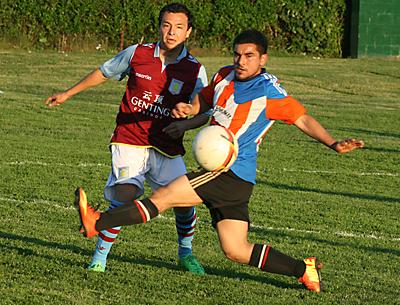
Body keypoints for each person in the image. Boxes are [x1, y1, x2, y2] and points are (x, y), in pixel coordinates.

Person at [74, 29, 364, 292]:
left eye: (249, 56)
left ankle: (97, 222)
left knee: (163, 197)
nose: (241, 60)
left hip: (227, 171)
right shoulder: (224, 75)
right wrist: (190, 108)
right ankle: (304, 269)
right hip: (238, 182)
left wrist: (333, 143)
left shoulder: (268, 92)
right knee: (236, 249)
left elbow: (302, 118)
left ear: (263, 58)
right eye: (237, 54)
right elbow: (206, 98)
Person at [45, 3, 209, 274]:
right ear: (159, 27)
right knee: (125, 195)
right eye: (166, 25)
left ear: (188, 32)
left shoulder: (195, 71)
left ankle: (186, 253)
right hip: (129, 138)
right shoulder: (137, 53)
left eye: (179, 27)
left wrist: (186, 125)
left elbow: (204, 112)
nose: (171, 32)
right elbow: (103, 72)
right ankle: (100, 256)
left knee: (185, 201)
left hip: (167, 145)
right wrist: (68, 93)